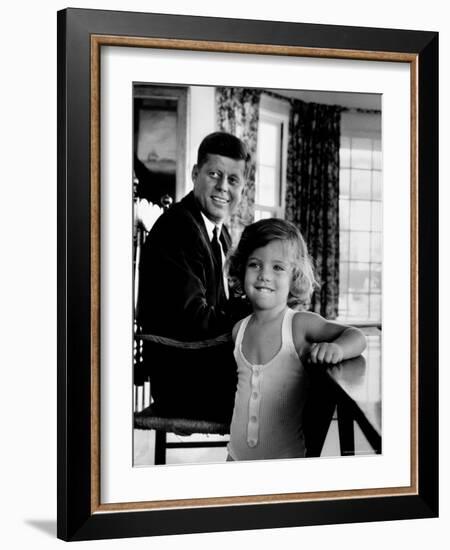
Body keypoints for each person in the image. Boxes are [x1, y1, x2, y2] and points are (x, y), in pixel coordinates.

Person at [226, 218, 367, 460]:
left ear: (295, 276)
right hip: (235, 458)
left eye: (278, 267)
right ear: (242, 269)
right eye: (255, 264)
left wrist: (338, 349)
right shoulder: (239, 330)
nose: (264, 276)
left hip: (287, 464)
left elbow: (357, 336)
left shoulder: (299, 324)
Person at [137, 132, 251, 422]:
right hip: (184, 380)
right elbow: (193, 321)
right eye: (214, 174)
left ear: (243, 187)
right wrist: (255, 318)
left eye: (233, 180)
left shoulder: (219, 231)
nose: (223, 187)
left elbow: (221, 304)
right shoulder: (178, 229)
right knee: (296, 389)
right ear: (195, 174)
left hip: (204, 364)